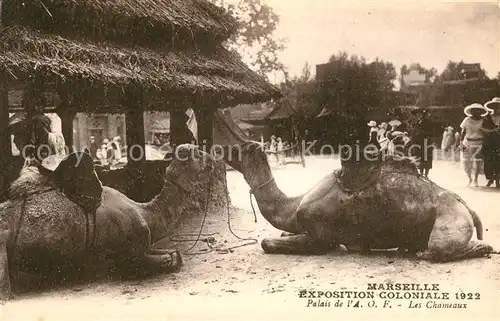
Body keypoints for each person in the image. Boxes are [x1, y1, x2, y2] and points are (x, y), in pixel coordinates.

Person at [459, 103, 490, 187]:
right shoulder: (467, 120)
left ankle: (475, 179)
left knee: (478, 162)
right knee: (466, 163)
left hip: (479, 142)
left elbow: (487, 132)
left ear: (480, 112)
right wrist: (461, 143)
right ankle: (469, 178)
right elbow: (463, 132)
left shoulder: (483, 120)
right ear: (471, 111)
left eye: (477, 110)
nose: (475, 112)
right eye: (473, 110)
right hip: (467, 142)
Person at [481, 112, 500, 187]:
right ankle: (491, 179)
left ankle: (497, 181)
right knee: (490, 163)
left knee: (498, 164)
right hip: (490, 145)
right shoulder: (487, 117)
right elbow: (484, 129)